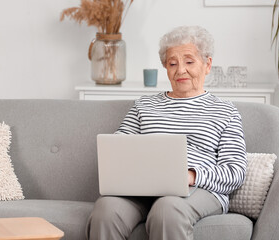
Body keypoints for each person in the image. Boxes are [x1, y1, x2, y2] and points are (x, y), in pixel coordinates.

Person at [86, 25, 247, 240]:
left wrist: (192, 175)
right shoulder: (144, 106)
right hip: (142, 189)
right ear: (165, 67)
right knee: (107, 209)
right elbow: (118, 146)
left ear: (207, 65)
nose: (180, 70)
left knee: (167, 209)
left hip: (197, 190)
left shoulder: (225, 111)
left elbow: (235, 171)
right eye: (172, 63)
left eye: (189, 61)